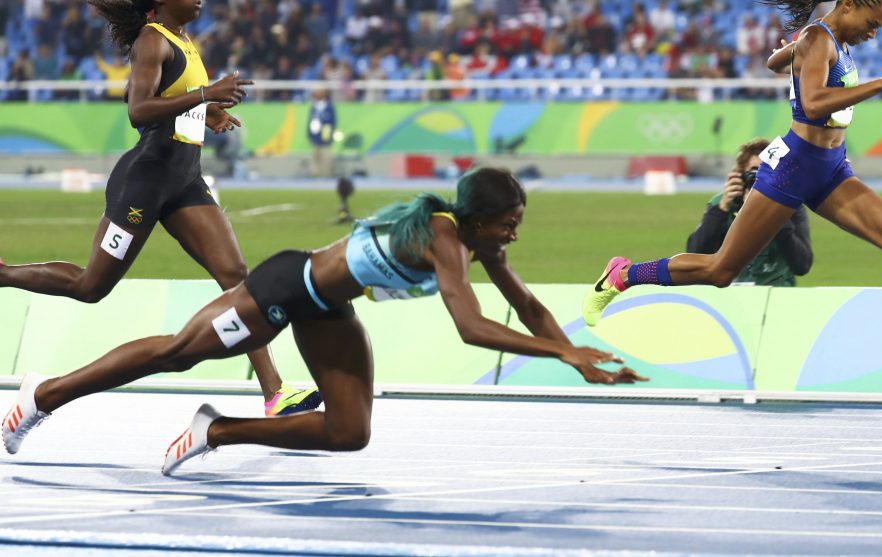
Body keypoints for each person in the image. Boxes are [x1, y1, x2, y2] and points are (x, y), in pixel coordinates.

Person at [3, 168, 648, 474]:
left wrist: (580, 352)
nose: (514, 232)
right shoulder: (447, 240)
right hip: (289, 286)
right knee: (177, 352)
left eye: (519, 222)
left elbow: (529, 306)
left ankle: (218, 430)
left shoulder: (480, 243)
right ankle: (44, 394)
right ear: (477, 217)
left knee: (349, 431)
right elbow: (472, 328)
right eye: (509, 221)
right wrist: (563, 357)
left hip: (326, 309)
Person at [581, 0, 882, 399]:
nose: (874, 34)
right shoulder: (819, 39)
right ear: (848, 5)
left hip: (831, 168)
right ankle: (624, 275)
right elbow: (816, 102)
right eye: (871, 23)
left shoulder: (824, 38)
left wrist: (785, 55)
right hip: (793, 167)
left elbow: (774, 62)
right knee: (720, 270)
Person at [0, 0, 318, 417]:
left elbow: (167, 100)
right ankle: (4, 275)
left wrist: (206, 113)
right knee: (91, 286)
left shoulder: (184, 41)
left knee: (236, 276)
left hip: (184, 179)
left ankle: (275, 393)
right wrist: (206, 94)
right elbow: (138, 111)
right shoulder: (152, 41)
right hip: (145, 183)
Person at [687, 138, 812, 287]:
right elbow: (695, 253)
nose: (760, 178)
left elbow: (802, 265)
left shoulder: (790, 205)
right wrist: (721, 210)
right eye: (755, 172)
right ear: (740, 175)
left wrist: (775, 213)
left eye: (767, 171)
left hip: (776, 291)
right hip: (733, 292)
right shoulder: (722, 204)